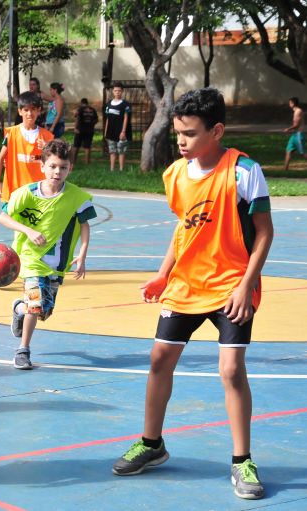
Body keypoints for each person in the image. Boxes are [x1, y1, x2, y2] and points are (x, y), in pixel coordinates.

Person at [111, 88, 274, 501]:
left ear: (216, 130)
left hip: (231, 284)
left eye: (189, 133)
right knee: (159, 359)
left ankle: (242, 461)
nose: (180, 140)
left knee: (231, 370)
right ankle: (152, 444)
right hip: (186, 283)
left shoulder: (243, 171)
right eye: (177, 132)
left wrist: (245, 285)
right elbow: (185, 227)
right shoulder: (175, 174)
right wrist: (163, 275)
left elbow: (265, 232)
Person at [0, 139, 95, 369]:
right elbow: (3, 217)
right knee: (36, 305)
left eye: (62, 167)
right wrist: (28, 230)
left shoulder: (76, 197)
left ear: (69, 168)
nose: (57, 171)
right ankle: (23, 350)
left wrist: (82, 254)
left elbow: (84, 224)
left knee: (44, 311)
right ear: (42, 166)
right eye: (52, 166)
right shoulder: (26, 194)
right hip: (30, 259)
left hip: (57, 263)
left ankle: (18, 309)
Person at [0, 92, 54, 202]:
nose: (29, 113)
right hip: (16, 190)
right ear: (20, 111)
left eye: (33, 109)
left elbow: (54, 161)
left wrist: (46, 148)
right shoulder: (11, 133)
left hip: (39, 191)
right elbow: (0, 158)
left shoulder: (47, 136)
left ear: (39, 110)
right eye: (26, 110)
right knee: (10, 219)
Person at [104, 82, 131, 172]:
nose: (117, 92)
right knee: (112, 151)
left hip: (121, 132)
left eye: (119, 91)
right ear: (113, 91)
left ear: (122, 91)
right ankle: (112, 169)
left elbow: (126, 118)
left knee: (121, 151)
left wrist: (123, 131)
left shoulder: (125, 104)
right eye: (115, 90)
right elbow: (108, 118)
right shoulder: (108, 104)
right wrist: (106, 131)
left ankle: (121, 169)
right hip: (111, 131)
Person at [71, 98, 98, 166]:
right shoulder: (92, 109)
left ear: (81, 103)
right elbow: (96, 120)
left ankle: (73, 162)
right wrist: (92, 124)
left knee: (76, 146)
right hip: (90, 130)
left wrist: (75, 128)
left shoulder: (80, 109)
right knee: (87, 147)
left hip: (80, 130)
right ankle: (87, 163)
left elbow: (76, 117)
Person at [284, 96, 306, 171]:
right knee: (288, 150)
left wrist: (288, 129)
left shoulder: (298, 111)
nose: (289, 104)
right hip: (295, 134)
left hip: (299, 134)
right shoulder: (296, 111)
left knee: (302, 153)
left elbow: (297, 125)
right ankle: (285, 169)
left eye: (290, 103)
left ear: (293, 103)